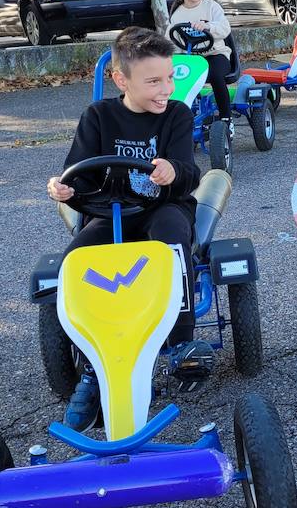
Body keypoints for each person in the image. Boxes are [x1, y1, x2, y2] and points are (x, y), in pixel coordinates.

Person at [47, 26, 204, 426]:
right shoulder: (98, 117)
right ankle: (91, 364)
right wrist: (65, 190)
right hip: (110, 210)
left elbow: (188, 171)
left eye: (169, 78)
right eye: (153, 81)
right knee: (75, 260)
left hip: (163, 207)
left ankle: (181, 341)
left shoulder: (177, 116)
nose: (165, 88)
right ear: (121, 80)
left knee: (171, 236)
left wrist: (173, 171)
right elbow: (77, 175)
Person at [168, 0, 235, 132]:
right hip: (191, 58)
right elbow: (171, 40)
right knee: (174, 79)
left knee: (214, 75)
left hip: (216, 54)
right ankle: (182, 119)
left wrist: (207, 26)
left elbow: (224, 28)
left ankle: (226, 118)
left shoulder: (211, 7)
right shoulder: (177, 14)